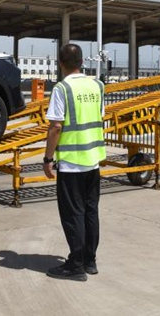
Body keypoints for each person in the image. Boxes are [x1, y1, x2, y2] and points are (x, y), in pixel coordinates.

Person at [42, 43, 106, 281]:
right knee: (91, 211)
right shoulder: (98, 86)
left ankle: (76, 264)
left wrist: (48, 159)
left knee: (73, 214)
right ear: (82, 62)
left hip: (71, 163)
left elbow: (56, 126)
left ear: (61, 63)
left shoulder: (62, 88)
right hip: (93, 161)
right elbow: (98, 118)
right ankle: (90, 260)